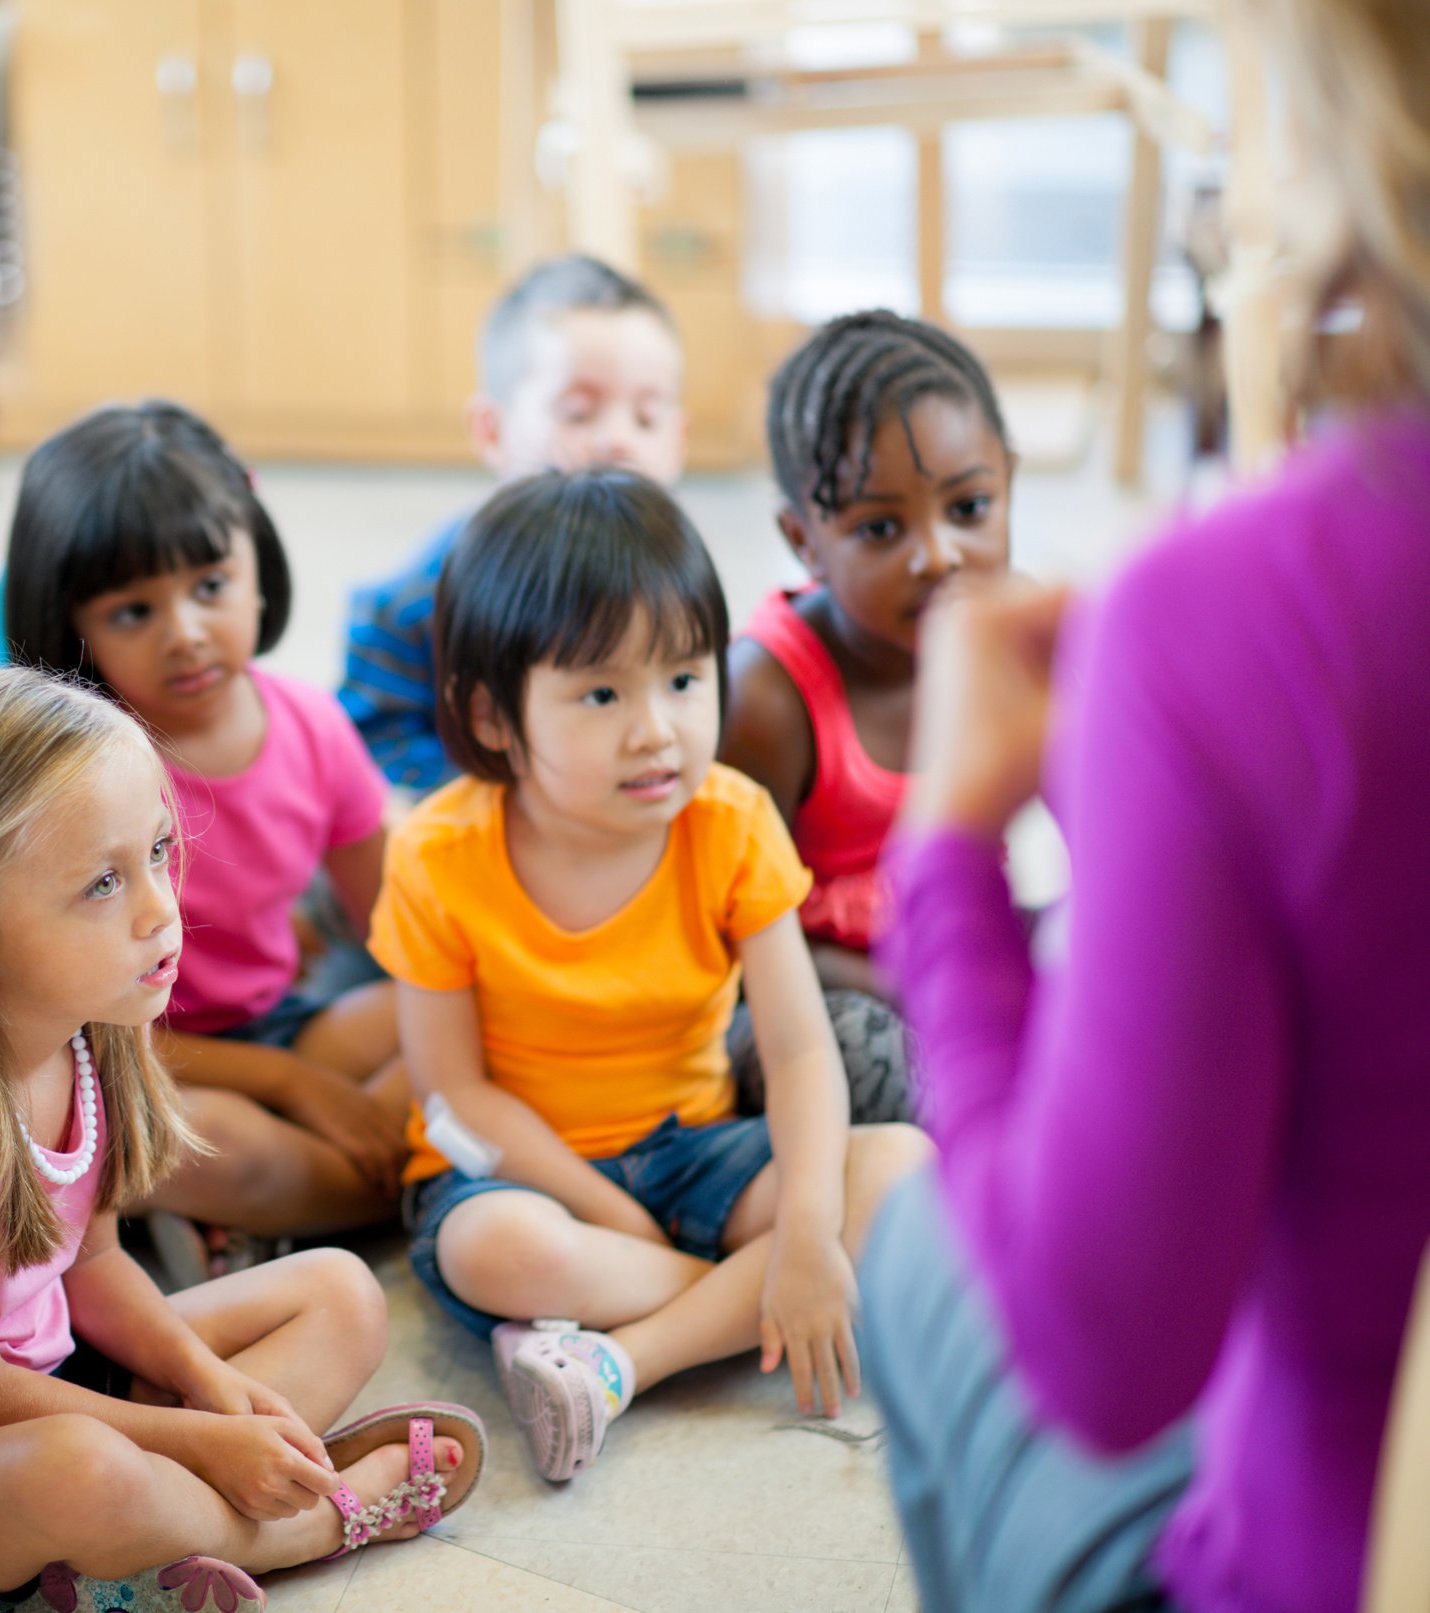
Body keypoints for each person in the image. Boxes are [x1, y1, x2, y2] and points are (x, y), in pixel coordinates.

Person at [858, 0, 1430, 1605]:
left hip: (1321, 1556)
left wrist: (954, 856)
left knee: (916, 1236)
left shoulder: (1239, 620)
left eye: (971, 506)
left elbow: (1107, 1362)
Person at [0, 666, 484, 1613]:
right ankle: (305, 1521)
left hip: (38, 1377)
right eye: (101, 882)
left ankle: (149, 1545)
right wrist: (202, 1438)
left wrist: (211, 1388)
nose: (160, 908)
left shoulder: (86, 1029)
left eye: (161, 850)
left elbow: (92, 1267)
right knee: (82, 1469)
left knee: (341, 1292)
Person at [375, 469, 930, 1485]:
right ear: (495, 717)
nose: (656, 728)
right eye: (599, 692)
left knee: (897, 1170)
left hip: (697, 1152)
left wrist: (804, 1222)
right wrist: (610, 1208)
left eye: (681, 678)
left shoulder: (728, 820)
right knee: (497, 1250)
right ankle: (743, 1298)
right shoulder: (435, 851)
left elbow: (800, 1047)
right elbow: (454, 1090)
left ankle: (620, 1355)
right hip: (523, 1176)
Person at [3, 402, 407, 1254]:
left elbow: (400, 926)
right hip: (120, 1055)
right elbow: (96, 1018)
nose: (185, 634)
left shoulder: (311, 723)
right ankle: (366, 1188)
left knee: (449, 1016)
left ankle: (316, 1192)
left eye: (211, 587)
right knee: (215, 1148)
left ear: (258, 565)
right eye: (132, 612)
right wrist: (291, 1085)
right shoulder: (80, 775)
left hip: (277, 1021)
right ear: (68, 622)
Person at [716, 309, 1015, 1120]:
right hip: (808, 997)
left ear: (1010, 484)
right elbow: (717, 936)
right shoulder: (767, 700)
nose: (938, 554)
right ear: (803, 539)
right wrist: (919, 989)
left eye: (970, 508)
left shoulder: (1013, 643)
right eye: (880, 528)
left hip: (947, 953)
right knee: (881, 1062)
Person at [340, 255, 686, 792]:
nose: (618, 439)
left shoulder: (680, 581)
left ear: (678, 440)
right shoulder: (419, 602)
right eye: (578, 412)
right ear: (492, 431)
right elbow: (372, 746)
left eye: (647, 416)